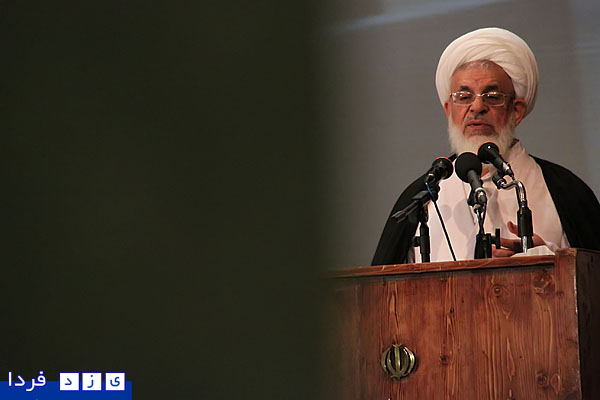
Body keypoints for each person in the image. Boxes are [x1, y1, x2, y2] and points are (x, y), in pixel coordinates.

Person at [372, 27, 600, 266]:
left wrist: (548, 259)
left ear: (516, 110)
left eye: (492, 96)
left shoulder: (565, 191)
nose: (477, 107)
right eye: (464, 97)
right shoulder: (423, 198)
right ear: (449, 110)